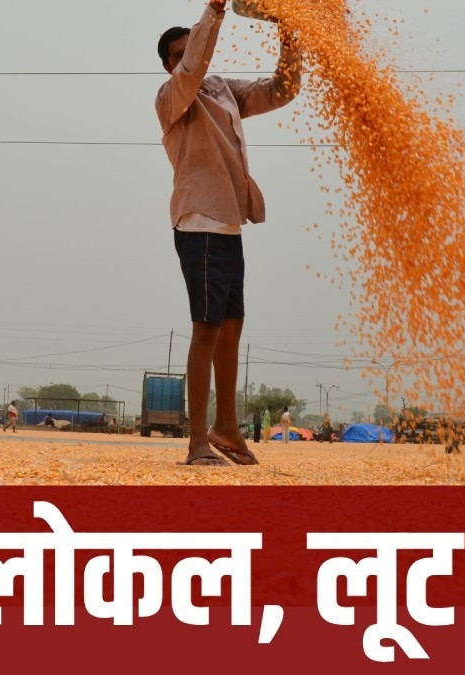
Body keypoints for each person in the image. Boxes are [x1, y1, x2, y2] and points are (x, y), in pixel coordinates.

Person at [156, 0, 303, 466]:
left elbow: (281, 90)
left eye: (190, 49)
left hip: (229, 224)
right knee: (206, 328)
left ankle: (227, 427)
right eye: (179, 53)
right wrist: (215, 10)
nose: (190, 57)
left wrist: (292, 31)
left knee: (232, 328)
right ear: (168, 63)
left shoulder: (222, 90)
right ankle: (198, 440)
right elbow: (195, 65)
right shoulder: (172, 96)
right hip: (199, 221)